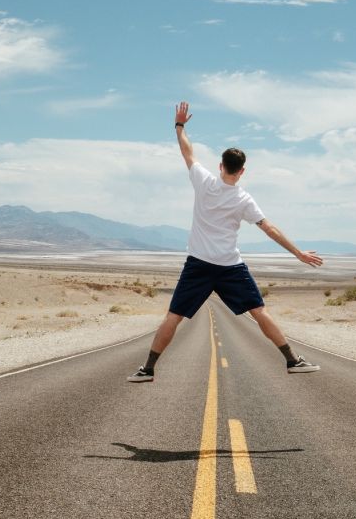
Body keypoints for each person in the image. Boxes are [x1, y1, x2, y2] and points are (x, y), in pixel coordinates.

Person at [128, 101, 323, 382]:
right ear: (242, 171)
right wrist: (298, 253)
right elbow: (269, 229)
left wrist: (179, 125)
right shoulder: (244, 199)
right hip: (230, 266)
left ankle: (147, 369)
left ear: (221, 166)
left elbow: (187, 151)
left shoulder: (203, 180)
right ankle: (292, 360)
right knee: (259, 312)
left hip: (198, 265)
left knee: (174, 316)